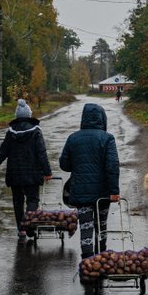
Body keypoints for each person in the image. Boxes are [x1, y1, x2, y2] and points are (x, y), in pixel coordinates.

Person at [59, 103, 120, 258]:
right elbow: (112, 166)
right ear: (102, 119)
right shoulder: (107, 139)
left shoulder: (73, 138)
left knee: (86, 228)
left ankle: (87, 262)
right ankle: (102, 257)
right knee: (102, 226)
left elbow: (64, 164)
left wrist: (78, 165)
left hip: (81, 191)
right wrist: (114, 192)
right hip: (103, 193)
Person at [0, 99, 53, 240]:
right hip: (32, 173)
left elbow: (2, 152)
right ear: (29, 115)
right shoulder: (36, 132)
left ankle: (21, 230)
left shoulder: (11, 133)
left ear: (17, 116)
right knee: (32, 199)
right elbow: (41, 153)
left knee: (17, 201)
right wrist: (47, 172)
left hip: (14, 173)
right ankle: (29, 225)